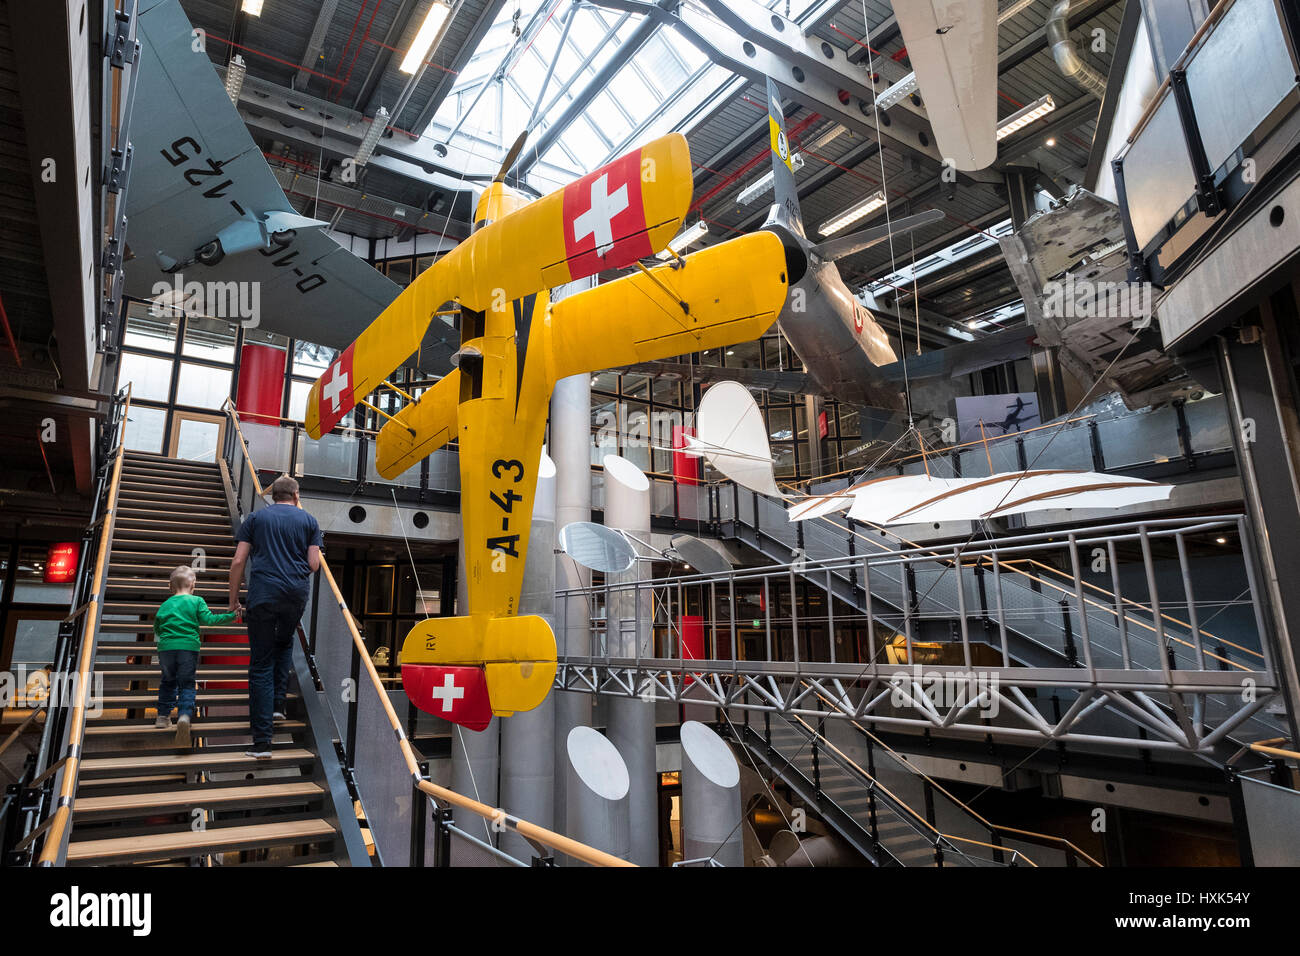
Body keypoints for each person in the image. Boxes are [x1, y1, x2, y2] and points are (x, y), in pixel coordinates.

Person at [228, 474, 322, 759]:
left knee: (260, 664)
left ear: (272, 496)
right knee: (284, 644)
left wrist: (234, 601)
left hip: (263, 596)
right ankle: (278, 706)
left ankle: (262, 743)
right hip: (294, 596)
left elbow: (238, 561)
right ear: (296, 495)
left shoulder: (256, 519)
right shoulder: (309, 521)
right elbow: (314, 564)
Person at [154, 565, 238, 748]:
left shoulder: (165, 605)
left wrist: (162, 643)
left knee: (168, 680)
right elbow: (209, 620)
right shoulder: (197, 601)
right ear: (193, 584)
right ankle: (184, 715)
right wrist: (230, 616)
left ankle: (162, 716)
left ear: (170, 586)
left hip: (166, 648)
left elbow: (157, 628)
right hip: (188, 648)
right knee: (187, 683)